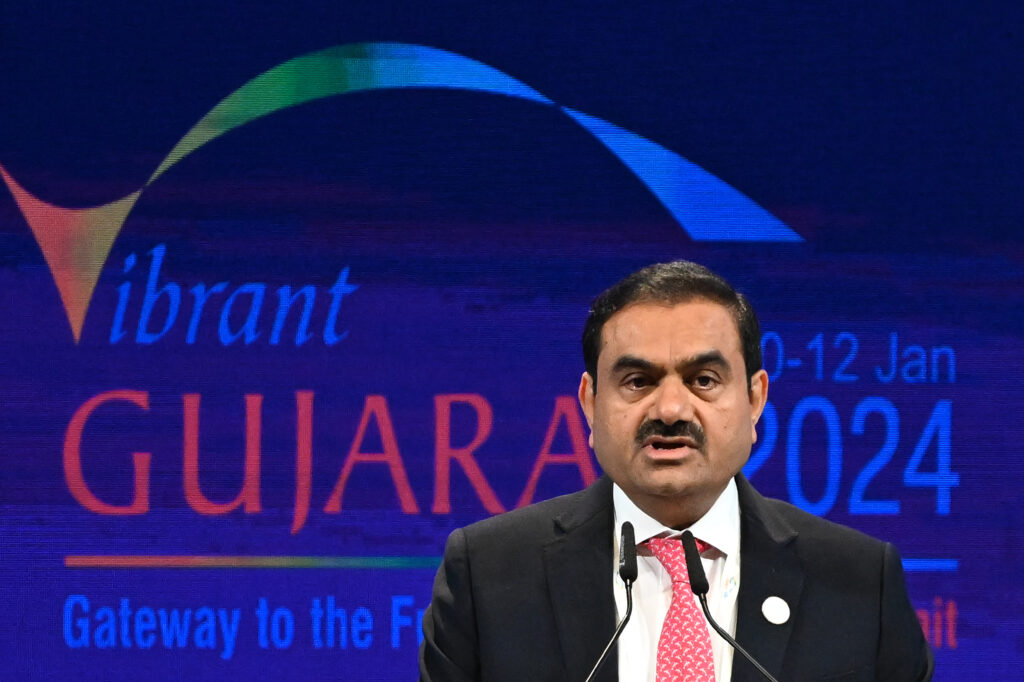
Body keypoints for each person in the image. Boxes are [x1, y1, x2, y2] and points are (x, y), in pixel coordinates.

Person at [419, 261, 933, 682]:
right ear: (590, 402)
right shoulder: (489, 575)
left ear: (755, 399)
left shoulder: (859, 582)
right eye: (638, 381)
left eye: (703, 380)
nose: (670, 409)